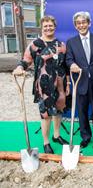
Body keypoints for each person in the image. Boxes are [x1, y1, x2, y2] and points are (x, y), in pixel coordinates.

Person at [12, 15, 69, 154]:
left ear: (55, 27)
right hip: (44, 86)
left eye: (51, 25)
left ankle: (56, 136)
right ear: (42, 28)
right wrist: (20, 68)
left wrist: (67, 85)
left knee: (59, 111)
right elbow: (25, 60)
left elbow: (66, 66)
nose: (48, 28)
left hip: (60, 85)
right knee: (46, 114)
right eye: (45, 26)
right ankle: (46, 142)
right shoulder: (35, 44)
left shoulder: (61, 45)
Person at [66, 11, 93, 149]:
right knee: (81, 112)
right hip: (80, 83)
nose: (81, 25)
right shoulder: (71, 42)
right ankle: (85, 137)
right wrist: (72, 65)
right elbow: (68, 59)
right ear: (75, 26)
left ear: (89, 23)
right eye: (78, 23)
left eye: (84, 22)